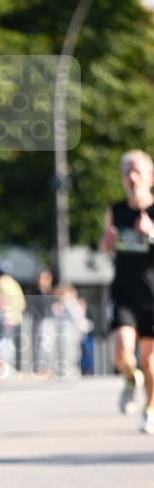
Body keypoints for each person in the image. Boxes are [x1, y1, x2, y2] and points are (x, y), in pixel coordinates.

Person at [100, 149, 154, 432]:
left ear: (150, 177)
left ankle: (149, 409)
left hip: (152, 296)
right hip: (124, 292)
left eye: (137, 172)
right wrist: (106, 243)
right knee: (122, 352)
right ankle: (130, 380)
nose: (132, 178)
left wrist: (151, 233)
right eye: (127, 173)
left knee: (150, 361)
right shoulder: (117, 210)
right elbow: (105, 247)